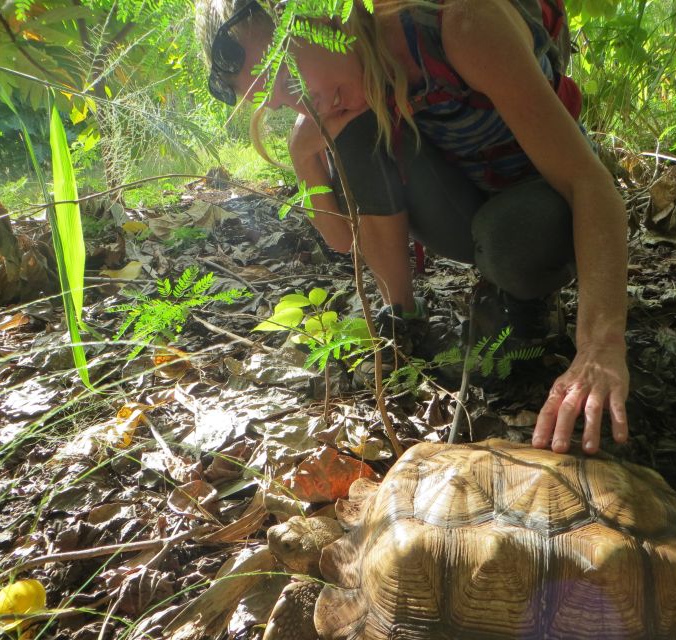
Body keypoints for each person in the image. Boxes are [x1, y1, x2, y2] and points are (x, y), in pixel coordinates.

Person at [195, 0, 630, 455]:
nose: (305, 104)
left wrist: (600, 345)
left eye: (288, 79)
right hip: (467, 208)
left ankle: (531, 299)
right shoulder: (350, 84)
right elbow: (344, 240)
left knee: (510, 241)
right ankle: (402, 321)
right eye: (279, 100)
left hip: (543, 206)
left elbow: (589, 184)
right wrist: (304, 154)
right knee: (357, 132)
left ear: (323, 15)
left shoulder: (461, 25)